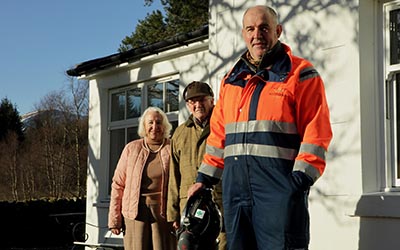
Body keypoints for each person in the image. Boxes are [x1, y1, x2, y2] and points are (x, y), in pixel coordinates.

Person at [188, 5, 333, 250]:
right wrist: (204, 180)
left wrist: (296, 184)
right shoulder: (231, 81)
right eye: (251, 29)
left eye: (264, 28)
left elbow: (316, 134)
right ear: (244, 35)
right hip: (235, 195)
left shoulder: (301, 74)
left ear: (278, 30)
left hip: (279, 193)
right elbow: (218, 137)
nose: (258, 34)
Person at [167, 81, 226, 250]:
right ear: (187, 105)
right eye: (193, 101)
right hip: (190, 210)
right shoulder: (179, 133)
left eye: (202, 99)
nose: (198, 105)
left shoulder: (223, 126)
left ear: (212, 100)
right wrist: (173, 213)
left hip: (220, 204)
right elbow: (174, 175)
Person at [108, 106, 176, 250]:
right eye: (150, 122)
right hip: (134, 213)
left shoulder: (173, 149)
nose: (154, 126)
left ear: (164, 126)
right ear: (144, 126)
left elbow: (180, 184)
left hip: (163, 214)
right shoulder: (131, 149)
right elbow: (118, 184)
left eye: (158, 122)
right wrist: (115, 219)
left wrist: (178, 215)